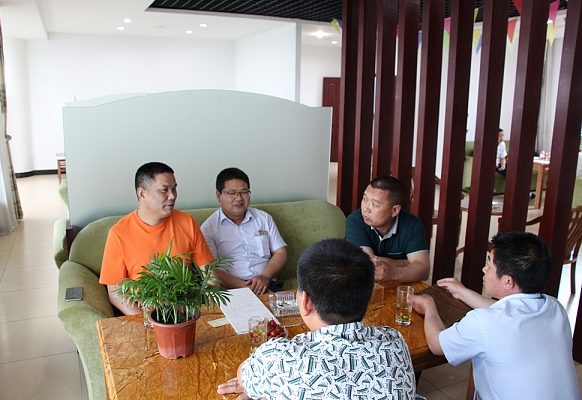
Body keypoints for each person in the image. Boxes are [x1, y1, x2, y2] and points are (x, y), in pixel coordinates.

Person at [217, 238, 416, 399]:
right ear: (367, 295)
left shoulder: (279, 359)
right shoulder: (394, 342)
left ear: (306, 302)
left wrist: (266, 382)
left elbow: (243, 375)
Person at [412, 232, 581, 400]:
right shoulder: (555, 308)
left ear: (508, 281)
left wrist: (429, 306)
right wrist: (462, 292)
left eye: (489, 264)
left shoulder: (483, 321)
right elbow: (506, 314)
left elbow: (437, 345)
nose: (484, 269)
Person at [99, 162, 214, 315]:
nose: (172, 196)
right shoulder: (119, 234)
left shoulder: (186, 222)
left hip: (187, 313)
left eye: (174, 189)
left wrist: (208, 312)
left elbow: (209, 273)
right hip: (145, 315)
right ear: (142, 193)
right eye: (164, 190)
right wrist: (147, 321)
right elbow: (116, 293)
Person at [201, 167, 287, 295]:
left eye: (244, 192)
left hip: (267, 283)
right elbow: (211, 269)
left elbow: (280, 252)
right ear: (219, 196)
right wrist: (251, 289)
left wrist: (264, 277)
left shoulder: (263, 218)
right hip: (232, 290)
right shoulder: (208, 229)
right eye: (232, 193)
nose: (239, 198)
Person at [345, 176, 430, 282]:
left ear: (394, 210)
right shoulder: (355, 220)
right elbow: (367, 264)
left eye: (375, 204)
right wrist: (407, 263)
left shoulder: (412, 224)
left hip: (401, 287)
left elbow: (424, 270)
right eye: (365, 199)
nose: (366, 208)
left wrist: (393, 273)